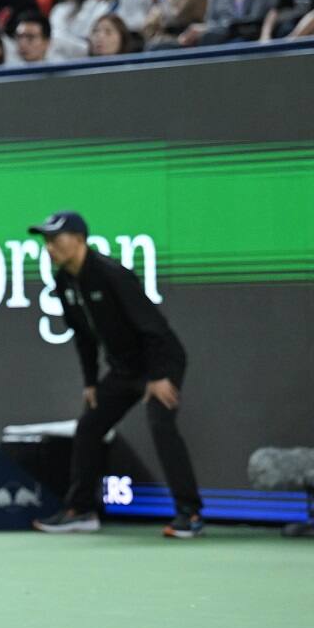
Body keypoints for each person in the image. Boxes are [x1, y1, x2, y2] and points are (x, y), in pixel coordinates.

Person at [27, 211, 204, 539]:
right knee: (90, 426)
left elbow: (154, 328)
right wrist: (91, 382)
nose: (50, 246)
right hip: (124, 369)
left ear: (79, 240)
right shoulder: (64, 282)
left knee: (160, 424)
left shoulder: (112, 275)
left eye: (56, 239)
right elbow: (83, 338)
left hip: (161, 361)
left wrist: (159, 376)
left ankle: (189, 514)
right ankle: (80, 511)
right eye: (46, 241)